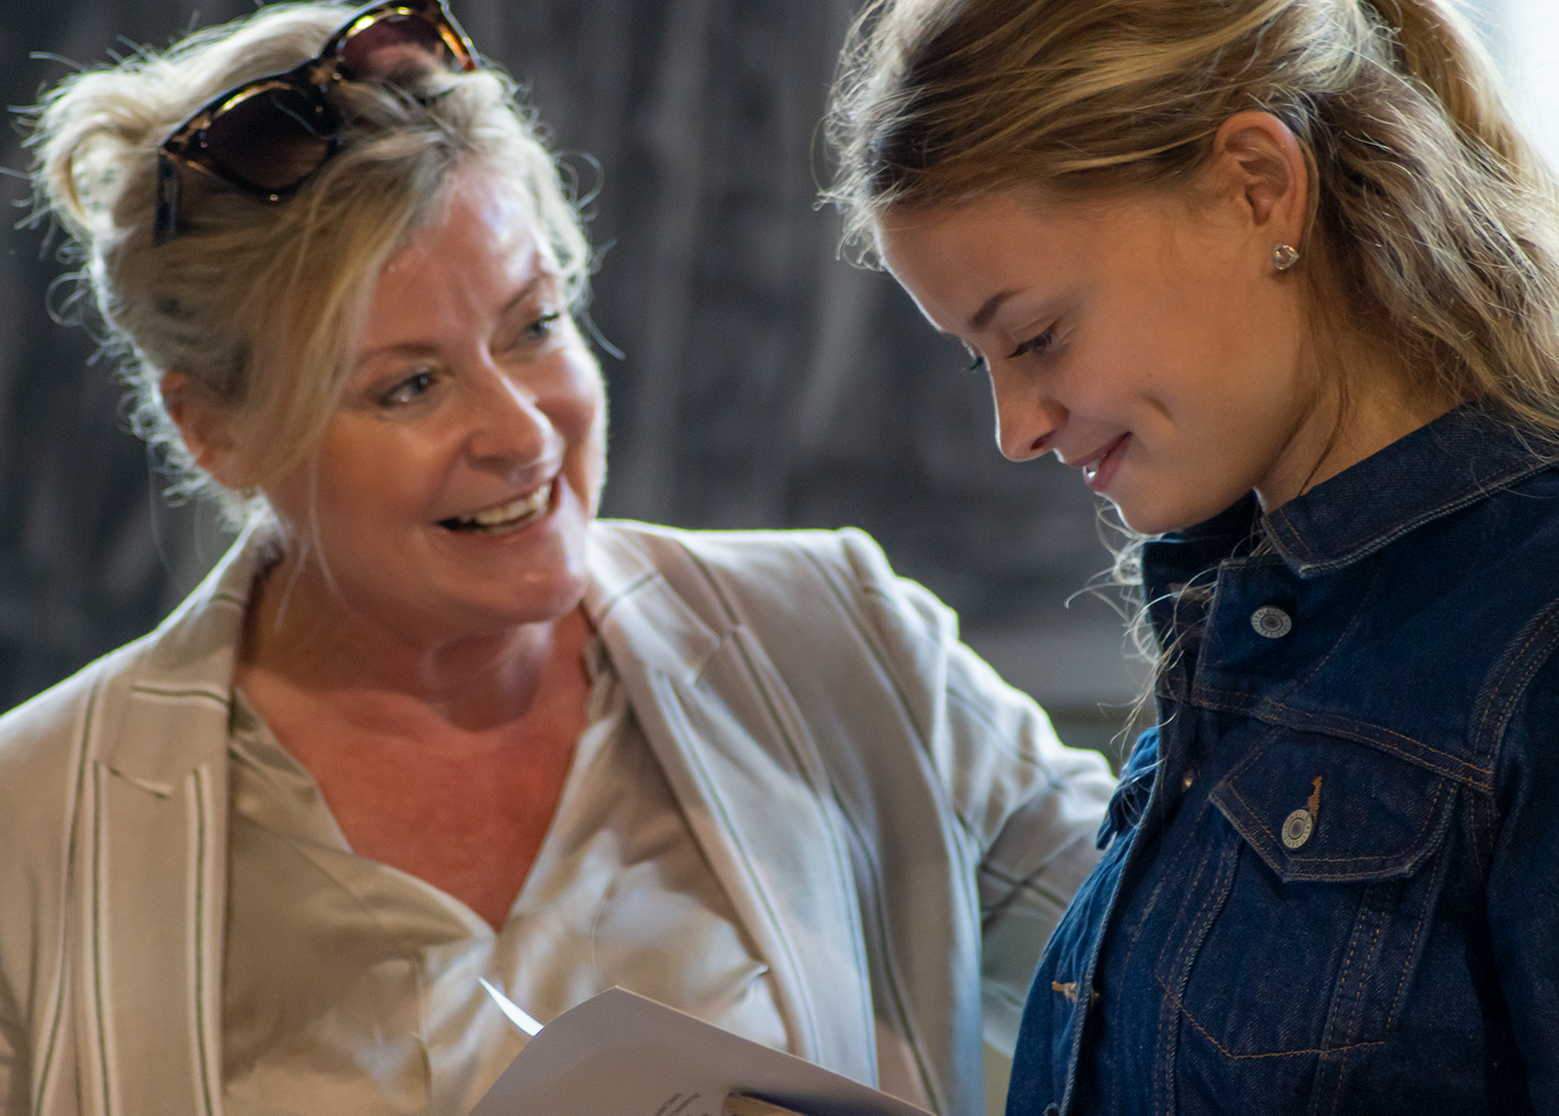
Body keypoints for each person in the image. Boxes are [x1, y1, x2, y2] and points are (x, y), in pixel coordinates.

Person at [1, 3, 1118, 1114]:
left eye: (532, 326)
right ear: (213, 430)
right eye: (410, 385)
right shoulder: (33, 826)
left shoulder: (839, 639)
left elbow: (1196, 976)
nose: (523, 433)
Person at [825, 0, 1559, 1112]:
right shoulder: (1243, 604)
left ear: (1254, 187)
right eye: (983, 364)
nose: (1014, 428)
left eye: (1034, 338)